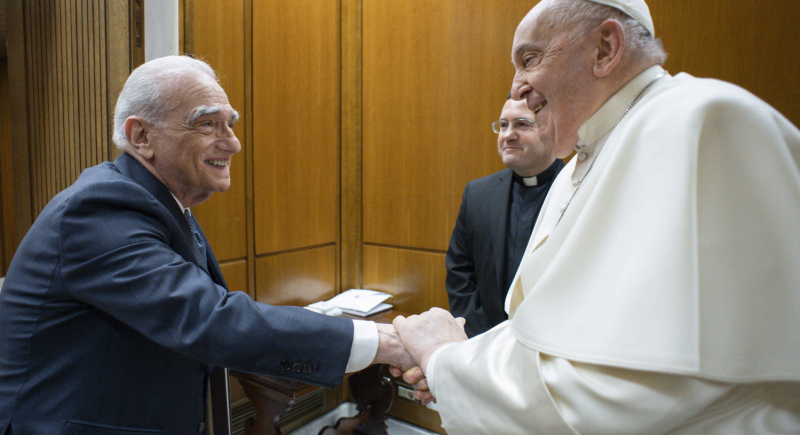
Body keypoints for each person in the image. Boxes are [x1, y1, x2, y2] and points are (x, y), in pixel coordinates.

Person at [392, 0, 800, 433]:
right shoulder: (578, 164)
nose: (517, 90)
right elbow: (540, 337)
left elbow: (624, 392)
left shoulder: (702, 123)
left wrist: (444, 361)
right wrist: (455, 365)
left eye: (530, 59)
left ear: (605, 48)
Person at [0, 55, 413, 434]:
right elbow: (210, 320)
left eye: (230, 123)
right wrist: (391, 343)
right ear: (141, 135)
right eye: (207, 123)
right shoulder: (99, 208)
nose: (232, 142)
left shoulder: (160, 203)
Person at [446, 96, 563, 337]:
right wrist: (482, 341)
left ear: (552, 129)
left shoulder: (579, 189)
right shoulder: (477, 193)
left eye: (521, 124)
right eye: (503, 125)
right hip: (483, 344)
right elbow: (460, 273)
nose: (508, 134)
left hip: (552, 348)